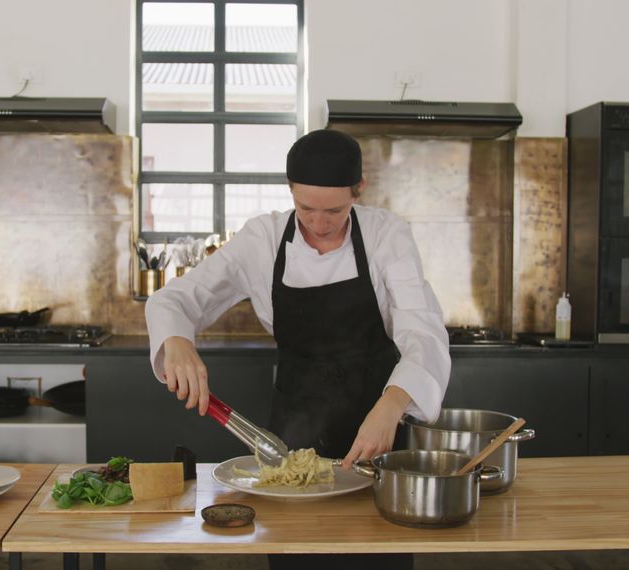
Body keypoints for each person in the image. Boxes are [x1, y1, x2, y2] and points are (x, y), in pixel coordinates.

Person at [145, 129, 450, 569]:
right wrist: (176, 340)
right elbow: (176, 298)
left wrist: (394, 404)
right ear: (289, 191)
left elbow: (424, 332)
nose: (319, 223)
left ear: (358, 191)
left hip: (378, 419)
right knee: (294, 552)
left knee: (376, 551)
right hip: (292, 434)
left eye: (335, 210)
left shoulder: (387, 235)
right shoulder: (263, 239)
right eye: (306, 208)